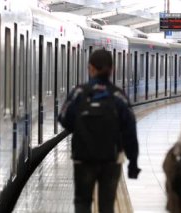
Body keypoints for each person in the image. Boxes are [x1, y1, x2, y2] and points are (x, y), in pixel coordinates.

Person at [58, 49, 140, 213]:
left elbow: (63, 118)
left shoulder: (79, 93)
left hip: (83, 158)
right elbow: (130, 130)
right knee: (106, 206)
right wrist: (133, 162)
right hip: (111, 160)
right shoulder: (118, 95)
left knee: (82, 202)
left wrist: (82, 129)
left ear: (91, 68)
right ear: (112, 69)